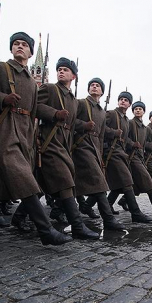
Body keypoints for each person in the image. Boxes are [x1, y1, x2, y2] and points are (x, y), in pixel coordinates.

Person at [0, 32, 72, 245]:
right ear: (11, 48)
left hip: (26, 132)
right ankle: (45, 230)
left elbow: (36, 109)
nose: (20, 46)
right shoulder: (0, 68)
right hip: (4, 128)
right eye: (16, 43)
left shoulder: (30, 79)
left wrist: (52, 116)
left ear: (29, 51)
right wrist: (1, 98)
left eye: (24, 44)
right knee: (24, 177)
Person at [35, 57, 99, 239]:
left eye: (65, 70)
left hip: (65, 144)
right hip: (49, 141)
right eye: (59, 69)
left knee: (38, 185)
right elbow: (35, 106)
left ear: (74, 76)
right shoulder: (49, 88)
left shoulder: (73, 99)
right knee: (65, 181)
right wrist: (53, 113)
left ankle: (18, 216)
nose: (61, 72)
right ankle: (77, 225)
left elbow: (71, 122)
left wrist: (83, 125)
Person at [72, 78, 125, 230]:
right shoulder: (81, 103)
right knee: (98, 181)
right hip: (81, 146)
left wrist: (101, 155)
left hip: (94, 148)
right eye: (92, 85)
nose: (94, 87)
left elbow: (101, 136)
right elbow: (69, 120)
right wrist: (83, 125)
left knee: (86, 182)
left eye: (97, 86)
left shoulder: (102, 112)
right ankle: (108, 220)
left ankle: (60, 209)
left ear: (102, 92)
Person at [103, 92, 152, 223]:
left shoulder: (125, 119)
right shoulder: (112, 114)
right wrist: (113, 132)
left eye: (126, 100)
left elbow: (126, 139)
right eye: (121, 99)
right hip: (111, 152)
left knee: (120, 183)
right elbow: (101, 128)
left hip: (121, 153)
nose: (123, 101)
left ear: (129, 103)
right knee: (126, 181)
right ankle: (135, 213)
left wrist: (131, 144)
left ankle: (96, 206)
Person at [119, 101, 152, 217]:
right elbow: (124, 138)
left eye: (140, 109)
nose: (138, 110)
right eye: (136, 108)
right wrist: (135, 144)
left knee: (134, 184)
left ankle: (120, 201)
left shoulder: (148, 129)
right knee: (150, 182)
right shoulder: (133, 124)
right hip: (135, 157)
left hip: (143, 158)